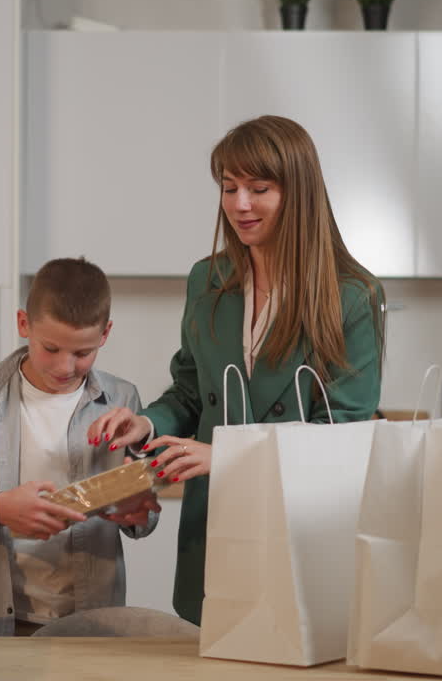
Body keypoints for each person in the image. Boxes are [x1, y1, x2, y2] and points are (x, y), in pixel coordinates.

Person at [86, 115, 385, 626]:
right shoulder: (208, 280)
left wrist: (225, 455)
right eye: (230, 188)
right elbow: (189, 391)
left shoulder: (353, 297)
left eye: (259, 188)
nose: (239, 204)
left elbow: (345, 436)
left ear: (299, 193)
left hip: (303, 528)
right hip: (214, 527)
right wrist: (148, 423)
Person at [0, 257, 160, 637]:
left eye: (83, 353)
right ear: (23, 324)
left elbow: (144, 517)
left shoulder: (122, 398)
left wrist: (137, 511)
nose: (65, 367)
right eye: (51, 348)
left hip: (92, 622)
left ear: (105, 333)